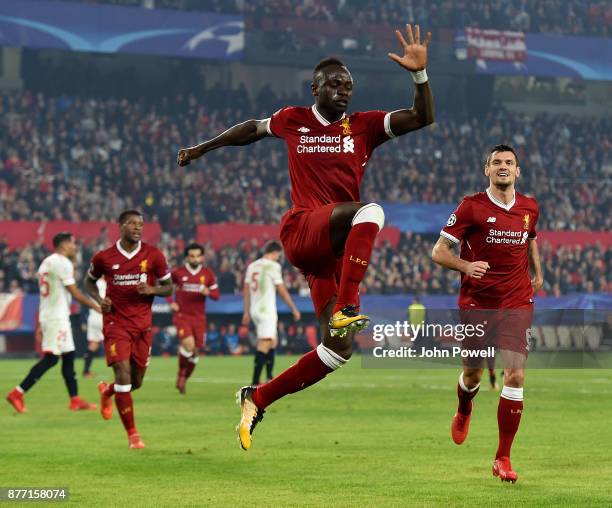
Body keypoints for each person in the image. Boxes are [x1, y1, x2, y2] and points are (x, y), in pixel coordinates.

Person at [178, 24, 434, 450]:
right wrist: (202, 149)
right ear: (314, 88)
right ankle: (348, 305)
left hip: (331, 254)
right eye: (334, 83)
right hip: (302, 229)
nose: (343, 90)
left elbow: (423, 117)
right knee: (371, 211)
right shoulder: (291, 119)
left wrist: (419, 76)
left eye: (349, 85)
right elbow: (249, 129)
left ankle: (256, 398)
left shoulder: (363, 127)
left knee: (339, 349)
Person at [431, 144, 543, 483]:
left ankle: (502, 457)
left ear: (518, 171)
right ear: (487, 170)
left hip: (517, 302)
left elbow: (530, 238)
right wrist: (466, 265)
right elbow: (439, 252)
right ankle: (465, 407)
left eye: (509, 162)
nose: (503, 167)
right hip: (478, 303)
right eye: (497, 163)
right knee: (474, 376)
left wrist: (538, 273)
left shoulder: (529, 207)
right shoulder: (471, 207)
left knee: (516, 376)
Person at [85, 210, 173, 449]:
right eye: (132, 223)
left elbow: (169, 287)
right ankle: (133, 436)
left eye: (141, 224)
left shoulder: (154, 255)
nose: (137, 228)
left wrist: (153, 291)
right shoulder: (104, 257)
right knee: (123, 374)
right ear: (121, 226)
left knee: (136, 382)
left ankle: (108, 391)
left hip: (142, 326)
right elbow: (89, 281)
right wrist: (99, 299)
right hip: (116, 324)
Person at [6, 233, 99, 413]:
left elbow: (46, 295)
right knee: (51, 359)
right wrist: (95, 306)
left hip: (52, 315)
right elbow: (74, 292)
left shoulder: (45, 263)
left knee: (69, 355)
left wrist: (41, 323)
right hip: (56, 318)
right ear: (64, 244)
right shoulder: (63, 262)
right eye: (73, 243)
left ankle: (75, 399)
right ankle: (17, 393)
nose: (75, 247)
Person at [242, 241, 301, 385]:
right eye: (278, 255)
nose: (278, 258)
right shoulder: (273, 266)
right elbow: (281, 290)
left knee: (273, 341)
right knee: (265, 342)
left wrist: (246, 312)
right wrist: (293, 308)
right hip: (266, 309)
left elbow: (246, 290)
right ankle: (255, 381)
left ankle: (269, 376)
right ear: (274, 252)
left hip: (255, 309)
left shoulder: (252, 266)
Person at [168, 242, 219, 394]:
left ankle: (185, 378)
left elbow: (217, 296)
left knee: (195, 353)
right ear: (187, 257)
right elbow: (165, 288)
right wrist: (171, 302)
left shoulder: (208, 274)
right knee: (188, 346)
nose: (195, 259)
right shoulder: (178, 273)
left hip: (199, 318)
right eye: (192, 256)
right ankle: (180, 375)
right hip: (182, 315)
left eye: (198, 256)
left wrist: (208, 292)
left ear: (202, 257)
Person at [83, 277, 107, 378]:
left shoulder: (92, 283)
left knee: (93, 344)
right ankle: (119, 371)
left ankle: (86, 371)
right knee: (114, 342)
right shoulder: (103, 284)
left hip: (92, 316)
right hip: (102, 315)